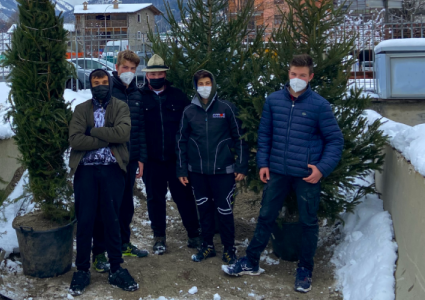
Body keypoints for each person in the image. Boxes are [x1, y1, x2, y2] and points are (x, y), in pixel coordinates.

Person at [223, 54, 344, 294]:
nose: (296, 79)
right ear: (287, 74)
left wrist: (321, 168)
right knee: (266, 215)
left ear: (310, 77)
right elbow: (265, 134)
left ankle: (305, 269)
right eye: (293, 74)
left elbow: (335, 140)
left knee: (309, 222)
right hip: (277, 171)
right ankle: (251, 261)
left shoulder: (319, 105)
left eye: (301, 75)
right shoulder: (274, 101)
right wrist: (263, 163)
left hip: (306, 175)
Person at [68, 69, 139, 296]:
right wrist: (105, 139)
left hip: (112, 170)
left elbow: (123, 134)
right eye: (96, 81)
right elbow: (75, 139)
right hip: (86, 171)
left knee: (112, 219)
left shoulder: (120, 107)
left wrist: (94, 132)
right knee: (86, 220)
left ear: (110, 83)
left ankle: (116, 268)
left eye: (104, 81)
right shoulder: (81, 109)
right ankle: (82, 269)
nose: (100, 84)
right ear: (90, 85)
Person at [176, 70, 249, 266]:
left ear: (213, 84)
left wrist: (241, 165)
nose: (204, 86)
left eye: (208, 82)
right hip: (197, 172)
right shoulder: (189, 111)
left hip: (223, 171)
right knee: (204, 210)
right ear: (196, 86)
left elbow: (240, 139)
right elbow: (181, 141)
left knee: (224, 210)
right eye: (201, 83)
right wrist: (182, 170)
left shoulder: (226, 108)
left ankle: (229, 249)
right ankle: (207, 246)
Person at [91, 50, 148, 274]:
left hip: (130, 159)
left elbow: (140, 129)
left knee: (126, 205)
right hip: (110, 160)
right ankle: (99, 253)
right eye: (125, 68)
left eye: (133, 69)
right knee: (106, 207)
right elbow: (98, 125)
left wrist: (140, 158)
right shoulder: (108, 91)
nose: (129, 72)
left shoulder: (136, 94)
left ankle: (124, 244)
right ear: (117, 68)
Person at [140, 54, 201, 254]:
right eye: (153, 73)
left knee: (184, 197)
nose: (156, 76)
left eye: (160, 73)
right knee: (155, 199)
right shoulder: (140, 98)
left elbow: (188, 129)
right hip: (152, 160)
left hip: (176, 160)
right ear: (147, 76)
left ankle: (194, 234)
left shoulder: (178, 96)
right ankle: (159, 236)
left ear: (165, 74)